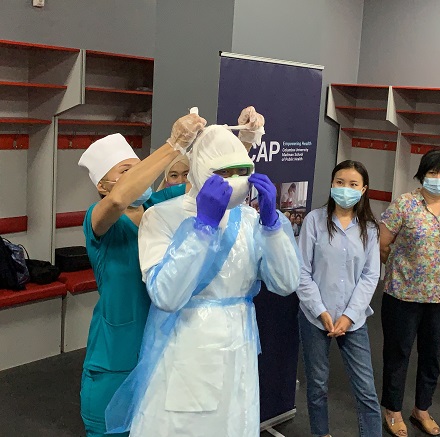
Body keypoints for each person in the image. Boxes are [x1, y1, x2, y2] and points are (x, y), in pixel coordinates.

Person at [104, 124, 300, 437]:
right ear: (202, 172)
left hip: (240, 346)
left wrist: (272, 227)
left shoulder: (250, 219)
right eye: (224, 172)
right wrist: (202, 230)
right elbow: (166, 295)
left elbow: (286, 282)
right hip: (187, 345)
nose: (235, 180)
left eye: (242, 171)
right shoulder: (162, 216)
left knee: (233, 423)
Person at [76, 113, 206, 437]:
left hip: (157, 354)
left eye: (141, 167)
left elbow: (206, 187)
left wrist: (239, 140)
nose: (139, 176)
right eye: (126, 171)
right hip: (113, 360)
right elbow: (119, 199)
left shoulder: (157, 208)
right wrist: (173, 144)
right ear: (102, 185)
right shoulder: (98, 220)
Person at [379, 149, 440, 437]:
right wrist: (404, 267)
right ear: (422, 174)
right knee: (398, 354)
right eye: (433, 172)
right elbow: (382, 244)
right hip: (402, 295)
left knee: (432, 356)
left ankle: (422, 409)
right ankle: (392, 410)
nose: (438, 178)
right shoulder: (404, 204)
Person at [296, 160, 382, 437]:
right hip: (315, 317)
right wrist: (320, 311)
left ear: (363, 189)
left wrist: (349, 316)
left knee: (366, 390)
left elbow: (370, 276)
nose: (346, 189)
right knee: (317, 386)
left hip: (353, 320)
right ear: (332, 184)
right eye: (340, 182)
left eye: (353, 184)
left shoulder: (370, 229)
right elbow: (302, 271)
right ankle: (321, 433)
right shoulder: (314, 220)